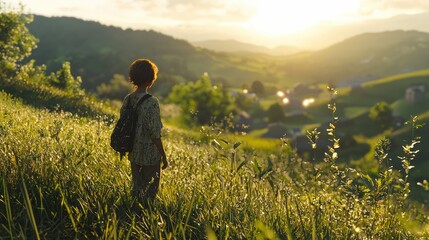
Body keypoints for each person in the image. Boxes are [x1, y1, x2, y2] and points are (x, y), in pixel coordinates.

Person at [120, 58, 168, 206]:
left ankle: (131, 215)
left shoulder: (128, 99)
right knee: (149, 193)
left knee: (136, 189)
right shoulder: (152, 102)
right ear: (151, 79)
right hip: (150, 154)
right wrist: (163, 155)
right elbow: (154, 132)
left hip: (134, 152)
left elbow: (123, 125)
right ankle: (144, 218)